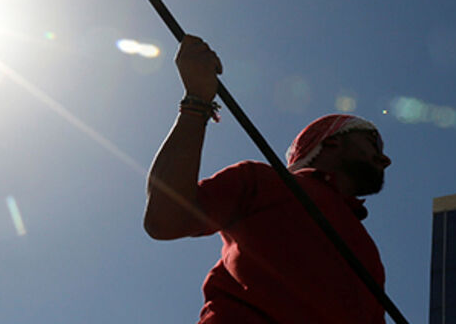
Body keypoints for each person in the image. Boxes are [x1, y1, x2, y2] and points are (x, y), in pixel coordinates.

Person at [145, 35, 392, 323]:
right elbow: (166, 218)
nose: (384, 159)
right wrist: (197, 101)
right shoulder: (265, 182)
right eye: (372, 143)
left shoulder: (369, 255)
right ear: (332, 142)